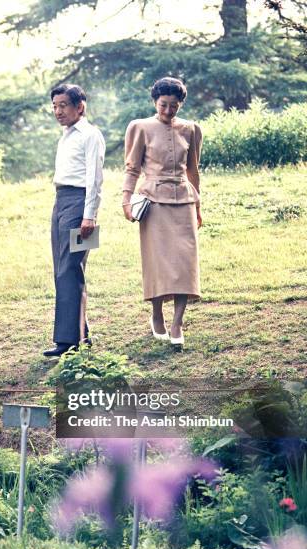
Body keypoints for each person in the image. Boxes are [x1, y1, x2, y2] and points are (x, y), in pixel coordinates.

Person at [122, 77, 202, 350]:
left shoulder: (191, 129)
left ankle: (178, 322)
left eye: (174, 106)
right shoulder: (140, 127)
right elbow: (132, 168)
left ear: (181, 104)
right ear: (155, 102)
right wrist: (125, 200)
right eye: (163, 105)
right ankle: (156, 313)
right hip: (153, 202)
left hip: (185, 202)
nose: (168, 111)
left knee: (185, 263)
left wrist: (199, 206)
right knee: (157, 262)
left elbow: (193, 171)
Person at [43, 84, 105, 358]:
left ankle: (69, 342)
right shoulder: (66, 135)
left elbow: (94, 179)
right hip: (61, 201)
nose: (58, 111)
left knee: (71, 268)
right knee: (63, 269)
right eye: (55, 106)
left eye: (63, 105)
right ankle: (80, 335)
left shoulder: (90, 135)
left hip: (80, 205)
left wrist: (90, 214)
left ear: (80, 106)